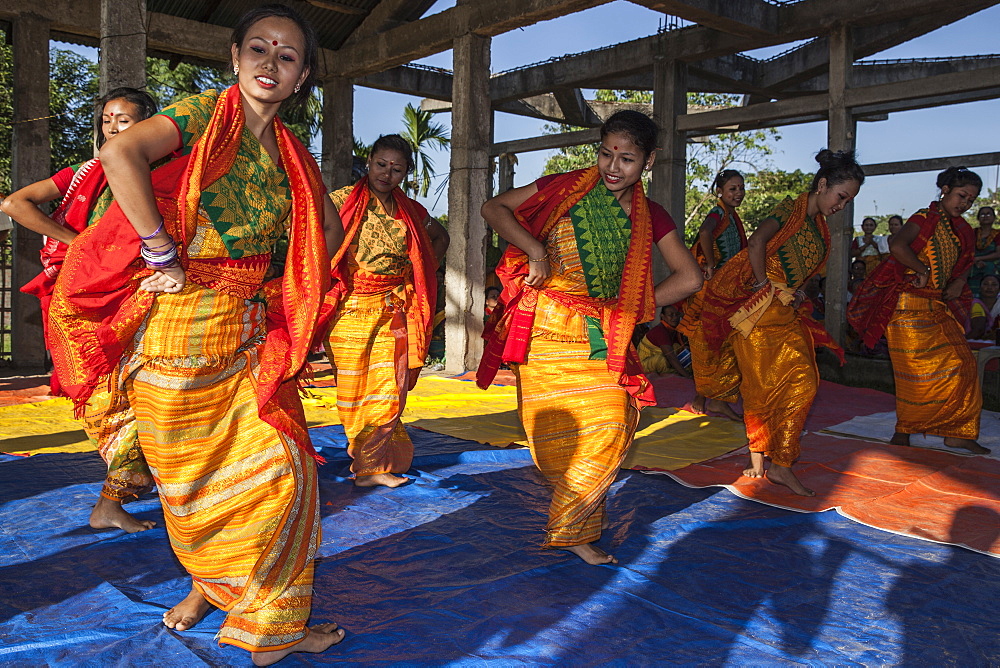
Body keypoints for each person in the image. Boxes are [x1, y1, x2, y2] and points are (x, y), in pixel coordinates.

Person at [45, 5, 347, 663]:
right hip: (177, 336)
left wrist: (284, 288)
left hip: (243, 336)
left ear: (301, 78)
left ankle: (268, 629)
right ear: (236, 58)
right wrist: (160, 253)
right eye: (260, 49)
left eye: (288, 56)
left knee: (285, 475)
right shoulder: (205, 114)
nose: (271, 63)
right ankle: (210, 589)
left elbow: (327, 228)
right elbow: (120, 152)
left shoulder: (292, 152)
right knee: (194, 489)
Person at [477, 110, 703, 565]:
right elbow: (493, 208)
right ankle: (575, 518)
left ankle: (572, 530)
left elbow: (690, 277)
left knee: (613, 424)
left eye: (627, 159)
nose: (613, 167)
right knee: (552, 444)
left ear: (649, 161)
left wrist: (636, 305)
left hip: (601, 338)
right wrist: (534, 248)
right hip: (545, 331)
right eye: (606, 154)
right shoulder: (563, 189)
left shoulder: (650, 215)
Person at [2, 87, 159, 534]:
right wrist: (79, 244)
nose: (112, 127)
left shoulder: (159, 174)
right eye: (107, 120)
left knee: (148, 393)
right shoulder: (84, 174)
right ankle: (111, 503)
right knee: (115, 400)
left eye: (123, 120)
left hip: (132, 297)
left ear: (147, 127)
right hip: (84, 304)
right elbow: (14, 203)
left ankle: (120, 499)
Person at [700, 149, 864, 497]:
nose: (842, 205)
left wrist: (797, 291)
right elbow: (758, 242)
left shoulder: (820, 229)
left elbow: (802, 271)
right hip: (757, 313)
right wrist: (763, 283)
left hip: (784, 313)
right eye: (841, 196)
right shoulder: (789, 210)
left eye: (848, 200)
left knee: (802, 382)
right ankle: (763, 461)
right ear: (822, 184)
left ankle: (780, 463)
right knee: (760, 386)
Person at [322, 134, 448, 489]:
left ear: (405, 173)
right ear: (369, 161)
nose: (387, 174)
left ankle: (371, 468)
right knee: (353, 393)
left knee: (389, 388)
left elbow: (441, 238)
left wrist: (419, 271)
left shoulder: (411, 212)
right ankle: (365, 460)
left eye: (397, 169)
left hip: (391, 310)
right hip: (348, 311)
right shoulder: (341, 201)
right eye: (381, 164)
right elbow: (311, 242)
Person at [849, 166, 986, 455]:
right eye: (962, 195)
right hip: (907, 307)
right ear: (945, 190)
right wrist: (920, 268)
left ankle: (957, 432)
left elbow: (964, 266)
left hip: (936, 306)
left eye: (971, 200)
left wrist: (960, 281)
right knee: (912, 373)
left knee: (964, 363)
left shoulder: (961, 230)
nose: (966, 203)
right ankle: (904, 430)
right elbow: (898, 245)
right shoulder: (924, 218)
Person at [678, 168, 746, 421]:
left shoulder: (730, 215)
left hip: (725, 289)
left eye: (741, 188)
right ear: (720, 191)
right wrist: (709, 264)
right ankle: (708, 399)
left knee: (716, 343)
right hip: (714, 289)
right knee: (711, 342)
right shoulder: (718, 212)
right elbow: (705, 233)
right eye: (732, 189)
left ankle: (706, 399)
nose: (738, 193)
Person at [638, 305, 691, 377]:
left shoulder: (675, 329)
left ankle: (679, 371)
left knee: (679, 348)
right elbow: (670, 356)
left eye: (677, 314)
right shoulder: (660, 331)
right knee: (662, 361)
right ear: (662, 316)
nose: (675, 317)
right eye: (671, 315)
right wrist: (686, 375)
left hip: (664, 358)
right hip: (644, 364)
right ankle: (677, 373)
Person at [969, 205, 1000, 297]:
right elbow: (965, 250)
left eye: (988, 214)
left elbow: (998, 254)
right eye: (982, 214)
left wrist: (979, 258)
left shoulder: (997, 234)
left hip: (992, 268)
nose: (985, 216)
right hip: (973, 266)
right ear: (978, 218)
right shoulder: (971, 233)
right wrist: (975, 261)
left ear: (994, 218)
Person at [969, 274, 1000, 340]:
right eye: (985, 284)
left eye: (994, 285)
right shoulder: (972, 304)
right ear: (980, 287)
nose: (989, 287)